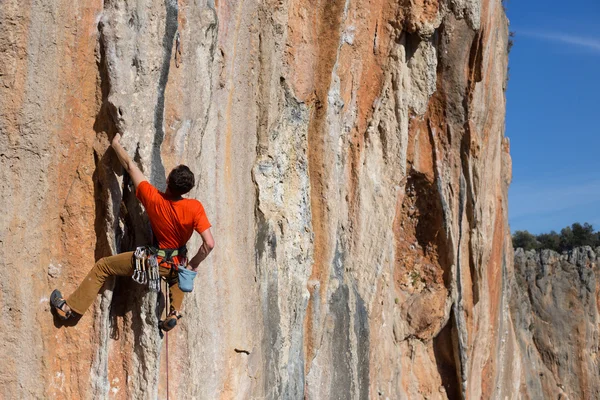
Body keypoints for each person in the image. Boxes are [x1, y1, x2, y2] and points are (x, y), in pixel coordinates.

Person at [50, 132, 215, 331]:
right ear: (186, 190)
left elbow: (130, 166)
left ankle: (69, 308)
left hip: (153, 262)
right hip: (176, 263)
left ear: (169, 181)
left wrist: (116, 143)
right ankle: (174, 311)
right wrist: (194, 263)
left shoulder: (153, 198)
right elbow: (209, 243)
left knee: (103, 266)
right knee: (179, 274)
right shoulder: (195, 207)